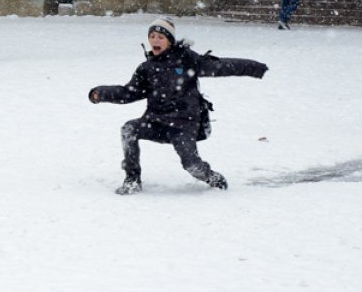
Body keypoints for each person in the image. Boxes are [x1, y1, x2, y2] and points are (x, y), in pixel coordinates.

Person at [88, 17, 268, 195]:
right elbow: (129, 92)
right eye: (152, 36)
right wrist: (100, 93)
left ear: (170, 41)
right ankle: (132, 179)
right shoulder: (146, 68)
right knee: (129, 129)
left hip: (183, 125)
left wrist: (254, 68)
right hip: (155, 122)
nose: (155, 41)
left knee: (191, 165)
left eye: (161, 37)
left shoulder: (186, 59)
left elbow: (220, 66)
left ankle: (211, 176)